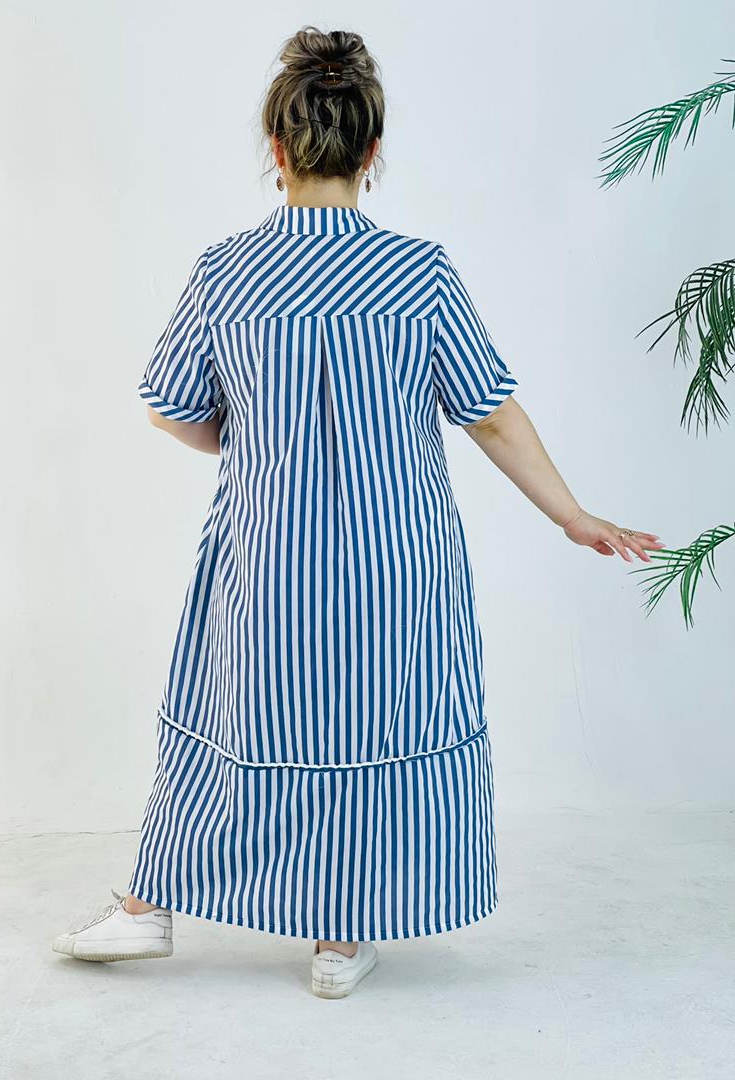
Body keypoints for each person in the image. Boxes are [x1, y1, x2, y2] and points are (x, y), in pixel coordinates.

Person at [52, 25, 663, 998]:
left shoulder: (225, 274)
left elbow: (172, 410)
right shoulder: (420, 275)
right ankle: (341, 937)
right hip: (397, 559)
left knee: (231, 711)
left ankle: (147, 908)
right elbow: (492, 415)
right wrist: (572, 515)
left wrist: (254, 443)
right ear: (372, 150)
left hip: (268, 552)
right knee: (375, 723)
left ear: (277, 145)